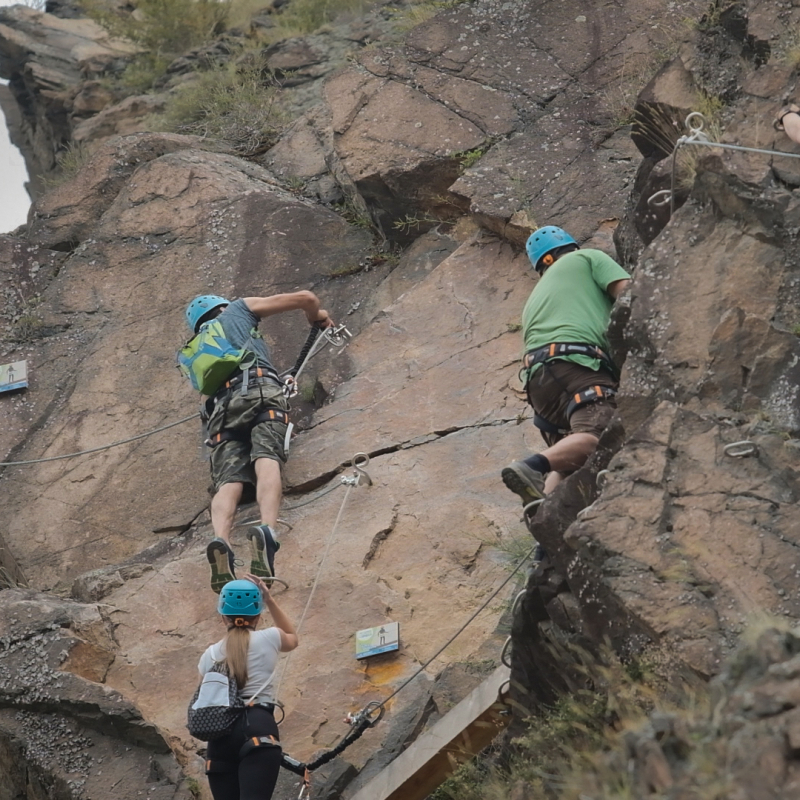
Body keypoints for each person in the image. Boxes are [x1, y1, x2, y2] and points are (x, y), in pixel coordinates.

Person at [184, 291, 334, 593]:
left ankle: (221, 540)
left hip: (221, 411)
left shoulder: (197, 348)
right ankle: (266, 529)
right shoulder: (239, 310)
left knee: (228, 480)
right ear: (222, 307)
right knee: (266, 457)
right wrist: (317, 317)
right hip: (260, 391)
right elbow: (306, 297)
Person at [502, 226, 631, 515]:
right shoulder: (586, 258)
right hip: (576, 364)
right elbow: (630, 294)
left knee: (571, 458)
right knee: (599, 437)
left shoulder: (535, 298)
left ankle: (543, 528)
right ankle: (532, 467)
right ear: (570, 246)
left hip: (540, 385)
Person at [199, 576, 298, 800]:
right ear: (258, 615)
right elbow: (292, 638)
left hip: (219, 735)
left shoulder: (210, 655)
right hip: (258, 725)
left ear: (222, 617)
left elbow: (205, 695)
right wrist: (270, 599)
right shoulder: (270, 638)